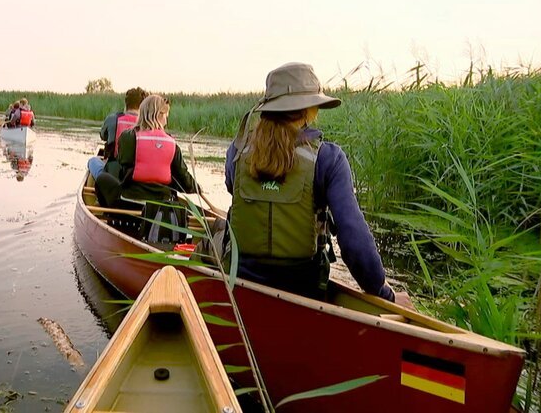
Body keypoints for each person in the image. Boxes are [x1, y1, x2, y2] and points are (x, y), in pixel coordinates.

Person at [224, 62, 413, 308]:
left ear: (268, 109)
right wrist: (383, 293)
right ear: (309, 110)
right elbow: (354, 241)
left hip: (241, 283)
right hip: (302, 291)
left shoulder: (236, 153)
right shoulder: (328, 158)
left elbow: (233, 190)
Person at [94, 94, 198, 208]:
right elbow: (184, 180)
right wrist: (197, 188)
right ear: (160, 115)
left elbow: (122, 168)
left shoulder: (128, 137)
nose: (166, 120)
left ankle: (108, 213)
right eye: (166, 116)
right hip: (161, 207)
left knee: (101, 179)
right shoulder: (172, 143)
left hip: (130, 202)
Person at [87, 87, 148, 179]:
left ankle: (101, 181)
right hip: (136, 174)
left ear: (126, 103)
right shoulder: (147, 124)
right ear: (143, 105)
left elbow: (103, 136)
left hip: (113, 173)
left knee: (92, 161)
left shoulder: (112, 118)